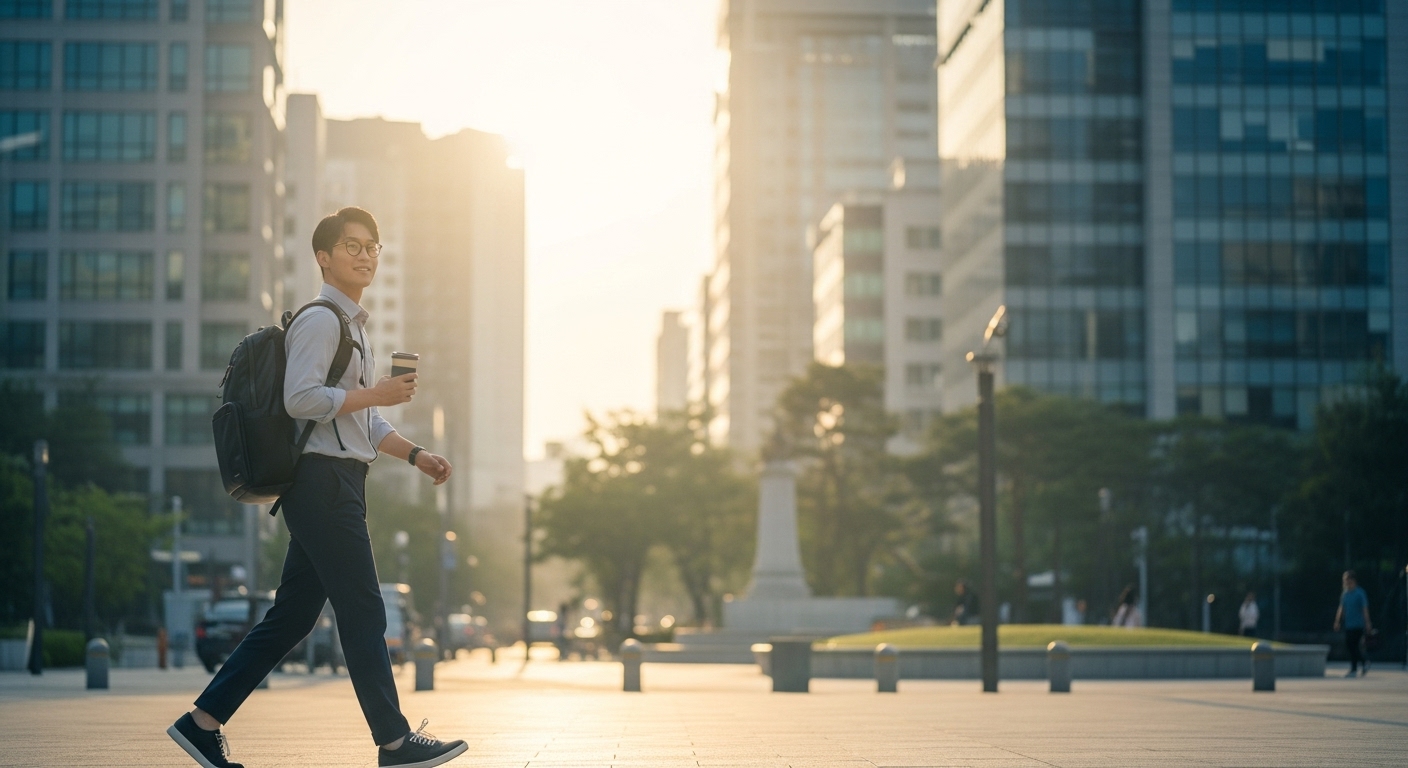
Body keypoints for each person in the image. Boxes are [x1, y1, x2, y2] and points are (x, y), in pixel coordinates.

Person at [166, 208, 468, 768]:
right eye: (351, 245)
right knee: (363, 609)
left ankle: (201, 723)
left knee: (294, 616)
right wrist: (374, 395)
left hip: (340, 479)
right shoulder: (321, 320)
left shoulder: (354, 329)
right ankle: (395, 741)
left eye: (373, 247)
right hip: (322, 482)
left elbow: (359, 422)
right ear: (323, 257)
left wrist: (417, 455)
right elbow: (300, 400)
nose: (365, 255)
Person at [1333, 570, 1372, 678]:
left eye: (1347, 580)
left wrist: (1367, 623)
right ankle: (1362, 663)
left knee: (1354, 646)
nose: (1345, 582)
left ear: (1353, 581)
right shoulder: (1345, 594)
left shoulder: (1360, 593)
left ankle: (1356, 667)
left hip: (1358, 625)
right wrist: (1337, 621)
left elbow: (1364, 609)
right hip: (1349, 625)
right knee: (1350, 646)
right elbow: (1341, 608)